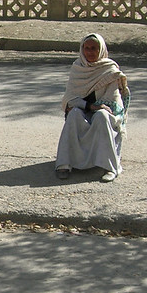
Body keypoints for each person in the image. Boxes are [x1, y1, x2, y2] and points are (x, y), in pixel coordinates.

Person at [55, 33, 129, 182]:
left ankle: (110, 167)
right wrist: (88, 106)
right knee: (74, 114)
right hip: (84, 110)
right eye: (86, 48)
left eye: (93, 48)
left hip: (104, 112)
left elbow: (113, 101)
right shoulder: (77, 68)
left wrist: (97, 108)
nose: (89, 52)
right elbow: (70, 99)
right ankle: (64, 164)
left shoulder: (110, 69)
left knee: (101, 116)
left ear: (100, 49)